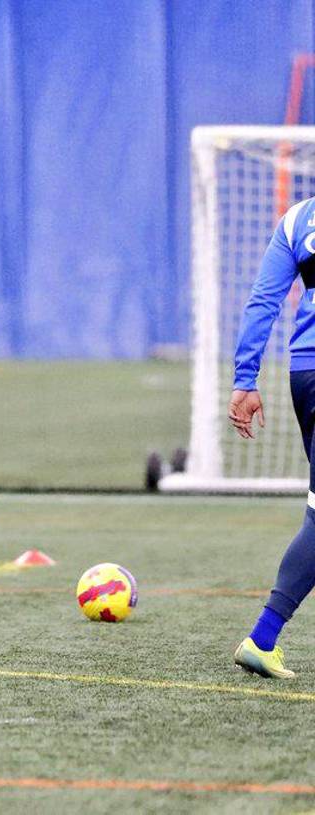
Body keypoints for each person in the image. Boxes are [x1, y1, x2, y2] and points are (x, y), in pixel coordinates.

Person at [230, 195, 315, 679]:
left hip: (305, 373)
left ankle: (262, 638)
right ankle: (262, 638)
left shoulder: (297, 218)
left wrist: (245, 378)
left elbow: (264, 299)